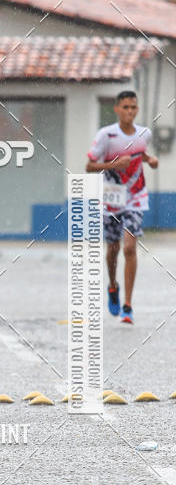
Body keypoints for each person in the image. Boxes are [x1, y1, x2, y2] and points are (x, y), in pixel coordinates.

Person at [86, 90, 158, 324]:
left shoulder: (144, 133)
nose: (129, 111)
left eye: (133, 107)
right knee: (114, 248)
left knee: (129, 248)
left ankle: (128, 306)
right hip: (112, 197)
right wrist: (113, 164)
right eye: (125, 107)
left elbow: (140, 152)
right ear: (117, 109)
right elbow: (89, 166)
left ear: (137, 110)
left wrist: (150, 160)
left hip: (136, 196)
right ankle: (113, 286)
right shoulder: (106, 135)